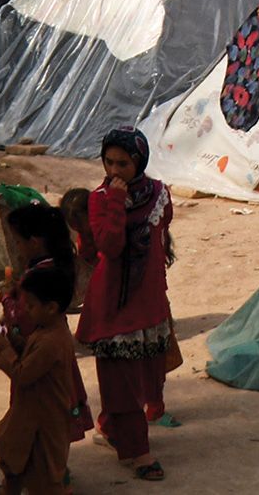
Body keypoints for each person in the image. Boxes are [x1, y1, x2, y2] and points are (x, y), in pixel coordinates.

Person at [77, 129, 176, 481]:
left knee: (145, 374)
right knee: (121, 380)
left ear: (140, 161)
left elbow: (161, 240)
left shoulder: (159, 194)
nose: (115, 170)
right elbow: (110, 245)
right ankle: (138, 454)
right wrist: (116, 203)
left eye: (124, 162)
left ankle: (109, 427)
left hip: (147, 301)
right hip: (114, 304)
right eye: (109, 162)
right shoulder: (99, 199)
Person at [0, 265, 83, 495]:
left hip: (45, 422)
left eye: (31, 306)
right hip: (32, 416)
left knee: (45, 477)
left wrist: (5, 350)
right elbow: (30, 355)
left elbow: (24, 373)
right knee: (17, 460)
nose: (27, 311)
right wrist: (13, 340)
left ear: (51, 308)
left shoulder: (51, 340)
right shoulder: (46, 331)